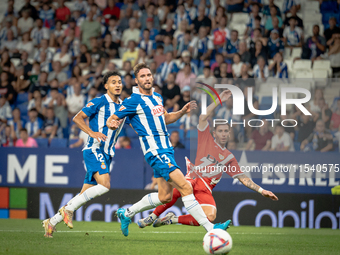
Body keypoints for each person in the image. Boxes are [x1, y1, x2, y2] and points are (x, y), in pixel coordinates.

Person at [106, 63, 232, 237]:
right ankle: (211, 230)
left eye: (148, 75)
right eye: (142, 76)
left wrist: (181, 112)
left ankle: (126, 214)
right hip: (155, 151)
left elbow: (164, 118)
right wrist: (111, 124)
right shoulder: (132, 100)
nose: (147, 78)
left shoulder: (157, 97)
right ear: (136, 81)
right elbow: (113, 118)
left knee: (164, 196)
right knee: (186, 187)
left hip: (167, 150)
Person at [138, 90, 278, 228]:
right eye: (220, 131)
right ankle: (153, 216)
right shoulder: (206, 139)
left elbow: (243, 177)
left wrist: (261, 190)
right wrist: (219, 100)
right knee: (177, 190)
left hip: (205, 189)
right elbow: (203, 117)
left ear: (229, 134)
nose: (223, 134)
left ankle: (172, 219)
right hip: (194, 177)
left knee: (210, 217)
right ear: (214, 133)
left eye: (226, 131)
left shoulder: (229, 157)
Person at [42, 71, 128, 238]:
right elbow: (77, 118)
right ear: (106, 86)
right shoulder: (99, 101)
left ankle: (51, 223)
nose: (117, 85)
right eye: (113, 82)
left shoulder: (123, 106)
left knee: (82, 196)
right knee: (105, 185)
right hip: (94, 149)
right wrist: (92, 132)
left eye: (119, 82)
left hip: (108, 153)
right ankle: (68, 209)